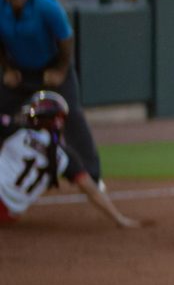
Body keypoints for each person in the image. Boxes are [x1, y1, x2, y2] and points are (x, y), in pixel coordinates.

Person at [0, 0, 102, 182]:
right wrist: (7, 69)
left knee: (72, 114)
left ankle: (92, 175)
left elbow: (66, 39)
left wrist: (60, 70)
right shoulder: (1, 8)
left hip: (51, 67)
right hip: (20, 71)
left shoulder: (47, 7)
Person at [0, 92, 138, 229]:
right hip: (10, 215)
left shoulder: (15, 131)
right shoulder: (65, 157)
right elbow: (91, 189)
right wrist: (119, 218)